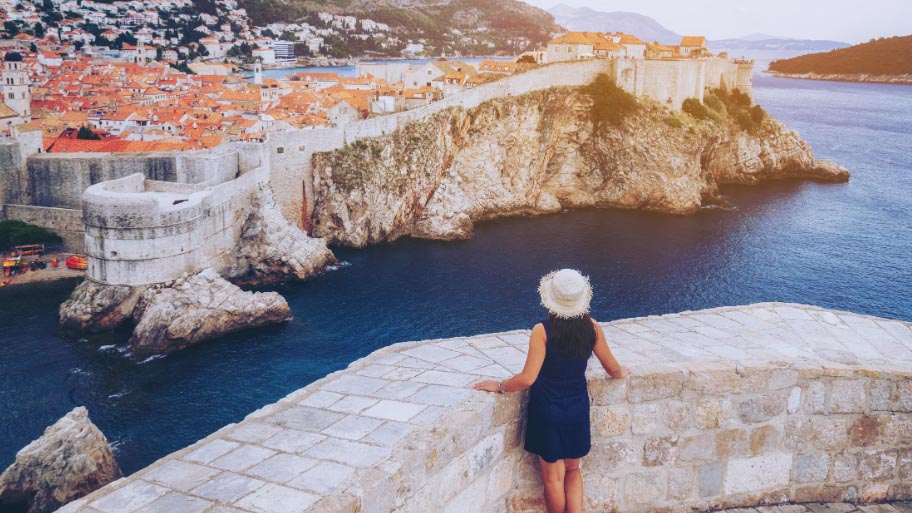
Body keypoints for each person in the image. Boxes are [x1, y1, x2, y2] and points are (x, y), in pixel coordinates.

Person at [474, 269, 631, 513]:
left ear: (551, 300)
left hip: (548, 411)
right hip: (576, 409)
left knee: (553, 479)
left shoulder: (542, 331)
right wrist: (623, 372)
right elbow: (613, 368)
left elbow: (527, 378)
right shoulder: (592, 328)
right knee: (573, 470)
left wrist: (501, 386)